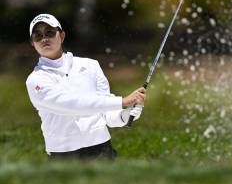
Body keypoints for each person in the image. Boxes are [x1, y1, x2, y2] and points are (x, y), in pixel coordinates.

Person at [25, 13, 146, 160]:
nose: (44, 39)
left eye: (49, 33)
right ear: (33, 43)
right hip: (63, 157)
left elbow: (106, 113)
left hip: (102, 151)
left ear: (61, 36)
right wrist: (122, 101)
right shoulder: (35, 80)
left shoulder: (90, 65)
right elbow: (71, 104)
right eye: (37, 36)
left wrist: (127, 115)